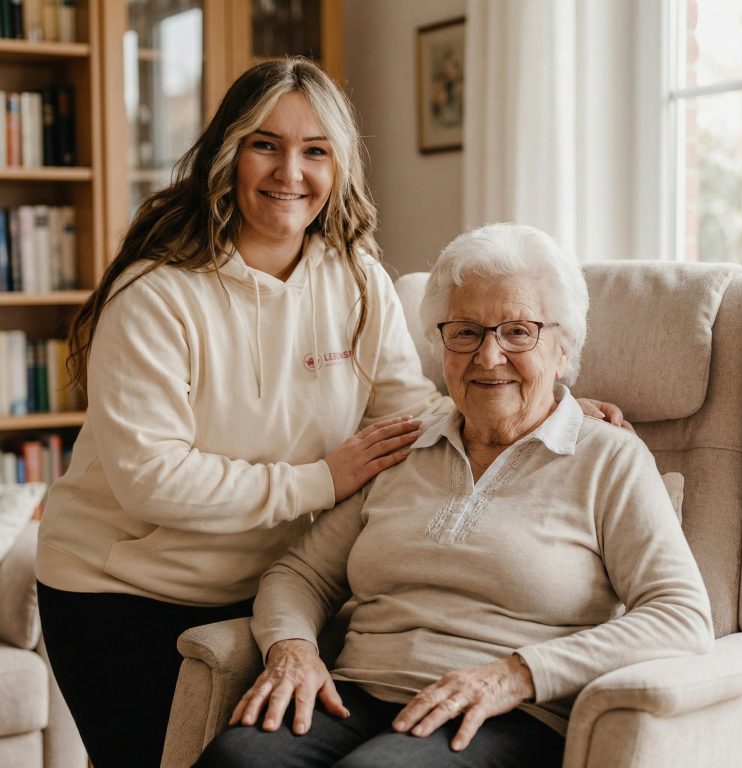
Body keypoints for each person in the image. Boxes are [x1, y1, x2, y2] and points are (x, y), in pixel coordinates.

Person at [35, 58, 623, 768]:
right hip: (122, 594)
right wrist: (320, 480)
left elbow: (410, 414)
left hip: (258, 592)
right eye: (265, 144)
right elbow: (151, 479)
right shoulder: (157, 295)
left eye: (315, 151)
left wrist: (531, 406)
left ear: (338, 166)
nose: (291, 171)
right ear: (228, 154)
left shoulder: (356, 279)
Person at [196, 222, 714, 768]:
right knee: (239, 759)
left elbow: (679, 615)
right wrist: (292, 650)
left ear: (563, 349)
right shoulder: (406, 442)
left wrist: (516, 674)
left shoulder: (609, 459)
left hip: (505, 715)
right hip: (355, 694)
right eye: (465, 332)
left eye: (518, 332)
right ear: (441, 345)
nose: (488, 357)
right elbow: (298, 574)